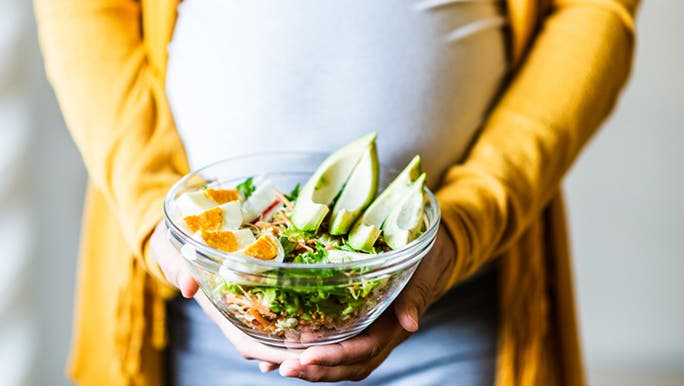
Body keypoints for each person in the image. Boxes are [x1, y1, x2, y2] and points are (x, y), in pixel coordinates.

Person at [34, 0, 638, 385]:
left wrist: (471, 219)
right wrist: (152, 210)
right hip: (193, 317)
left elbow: (594, 11)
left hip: (458, 314)